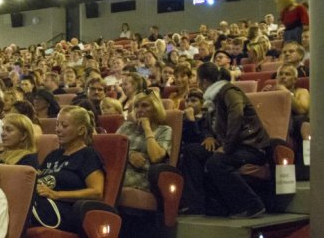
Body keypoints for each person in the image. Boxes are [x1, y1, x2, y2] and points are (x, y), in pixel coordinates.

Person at [180, 62, 270, 218]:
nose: (197, 83)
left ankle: (252, 205)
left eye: (198, 79)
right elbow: (209, 122)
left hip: (251, 147)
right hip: (232, 146)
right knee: (191, 151)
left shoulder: (229, 91)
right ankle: (197, 204)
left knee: (216, 162)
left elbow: (237, 117)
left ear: (205, 81)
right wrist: (208, 136)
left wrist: (227, 147)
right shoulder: (212, 98)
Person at [31, 106, 104, 230]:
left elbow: (97, 192)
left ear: (81, 130)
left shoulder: (88, 155)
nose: (58, 130)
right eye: (57, 125)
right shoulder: (53, 155)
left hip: (62, 210)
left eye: (64, 126)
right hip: (40, 202)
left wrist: (57, 194)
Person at [116, 92, 172, 191]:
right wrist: (129, 155)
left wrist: (147, 129)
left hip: (140, 175)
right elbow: (111, 150)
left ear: (155, 109)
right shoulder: (127, 126)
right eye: (136, 106)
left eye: (145, 106)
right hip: (118, 168)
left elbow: (156, 157)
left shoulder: (164, 130)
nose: (139, 110)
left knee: (110, 181)